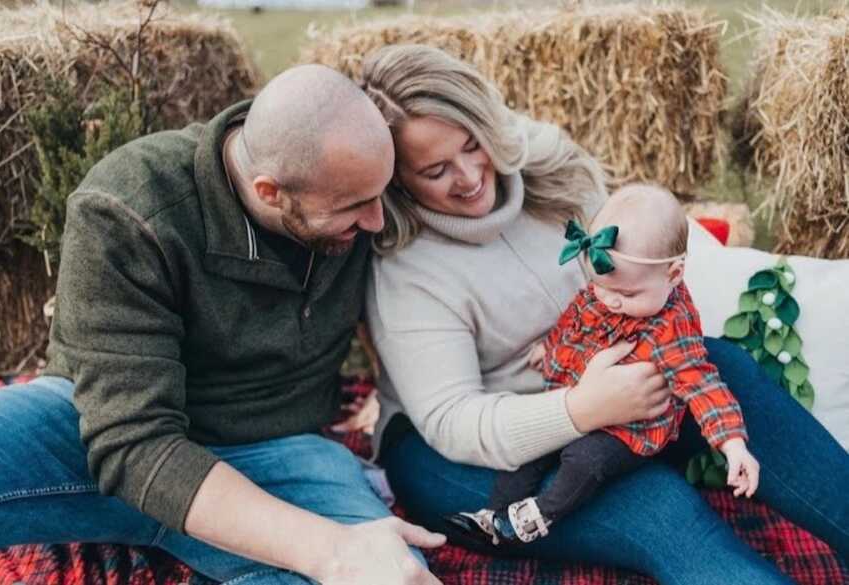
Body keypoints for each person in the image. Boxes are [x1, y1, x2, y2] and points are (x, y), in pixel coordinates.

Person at [360, 44, 848, 584]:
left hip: (608, 402)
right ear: (398, 179)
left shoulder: (552, 172)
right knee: (659, 508)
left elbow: (639, 276)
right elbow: (455, 422)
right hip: (464, 455)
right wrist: (580, 408)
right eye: (435, 170)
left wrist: (635, 380)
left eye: (473, 144)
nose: (471, 174)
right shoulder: (408, 269)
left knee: (720, 366)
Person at [0, 64, 446, 585]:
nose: (377, 223)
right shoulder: (130, 205)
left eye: (380, 194)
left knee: (395, 576)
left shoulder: (357, 174)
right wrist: (329, 550)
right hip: (97, 435)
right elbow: (131, 442)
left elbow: (484, 141)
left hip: (279, 452)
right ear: (270, 191)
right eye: (354, 208)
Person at [447, 184, 759, 546]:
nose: (610, 301)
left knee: (584, 460)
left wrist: (733, 444)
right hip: (578, 401)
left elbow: (703, 385)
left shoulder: (671, 328)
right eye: (600, 287)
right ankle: (494, 514)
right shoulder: (607, 291)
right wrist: (550, 349)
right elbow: (573, 323)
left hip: (629, 428)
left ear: (673, 274)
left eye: (627, 295)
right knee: (532, 448)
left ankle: (540, 516)